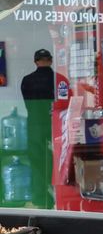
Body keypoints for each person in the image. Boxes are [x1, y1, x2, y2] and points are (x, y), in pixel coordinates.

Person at [20, 49, 63, 209]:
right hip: (55, 124)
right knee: (57, 159)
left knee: (36, 161)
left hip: (35, 124)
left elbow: (28, 104)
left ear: (36, 61)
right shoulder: (59, 79)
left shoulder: (27, 80)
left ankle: (41, 198)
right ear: (51, 60)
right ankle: (58, 195)